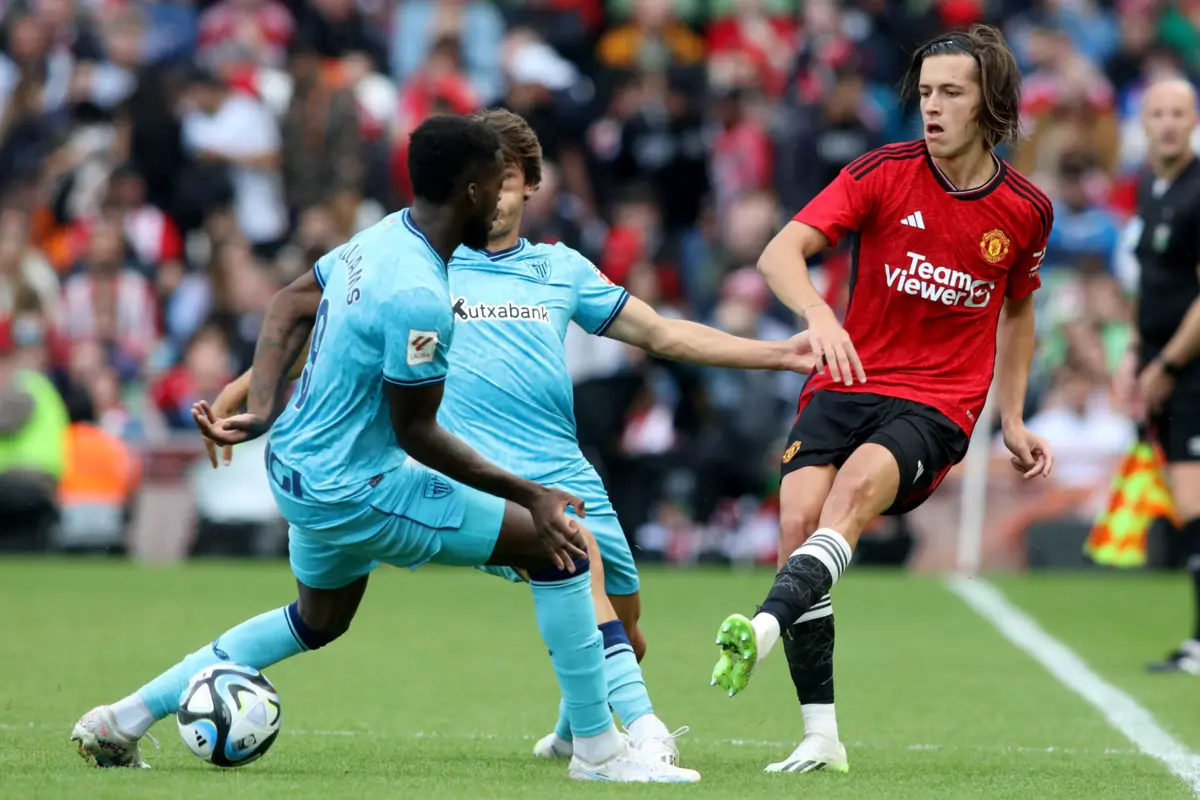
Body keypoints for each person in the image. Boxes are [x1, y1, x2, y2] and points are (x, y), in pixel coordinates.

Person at [71, 114, 699, 784]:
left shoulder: (379, 238)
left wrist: (261, 410)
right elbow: (417, 434)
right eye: (495, 180)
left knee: (316, 620)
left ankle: (124, 717)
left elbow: (289, 302)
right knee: (561, 546)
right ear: (470, 192)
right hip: (355, 488)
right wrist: (531, 495)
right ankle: (599, 753)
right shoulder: (421, 296)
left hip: (296, 471)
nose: (505, 194)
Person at [201, 107, 816, 765]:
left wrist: (778, 353)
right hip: (481, 477)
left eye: (510, 178)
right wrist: (243, 392)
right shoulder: (428, 265)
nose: (495, 194)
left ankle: (573, 732)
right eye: (488, 178)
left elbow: (665, 334)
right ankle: (643, 737)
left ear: (528, 186)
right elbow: (332, 332)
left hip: (565, 468)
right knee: (584, 570)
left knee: (627, 631)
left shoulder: (560, 271)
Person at [708, 25, 1057, 774]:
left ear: (989, 103)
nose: (932, 107)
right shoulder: (882, 172)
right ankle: (821, 736)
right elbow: (779, 254)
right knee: (798, 522)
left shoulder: (1025, 209)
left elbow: (1020, 308)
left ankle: (763, 627)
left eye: (951, 93)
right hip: (846, 377)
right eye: (925, 92)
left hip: (938, 400)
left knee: (859, 488)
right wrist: (820, 313)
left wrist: (1017, 414)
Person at [1117, 78, 1200, 675]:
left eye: (1178, 113)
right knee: (1183, 500)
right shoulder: (1149, 186)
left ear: (1193, 120)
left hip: (1193, 371)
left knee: (1194, 501)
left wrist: (1168, 364)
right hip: (1161, 365)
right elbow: (1151, 285)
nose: (1168, 123)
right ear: (1142, 121)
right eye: (1158, 113)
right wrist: (1134, 355)